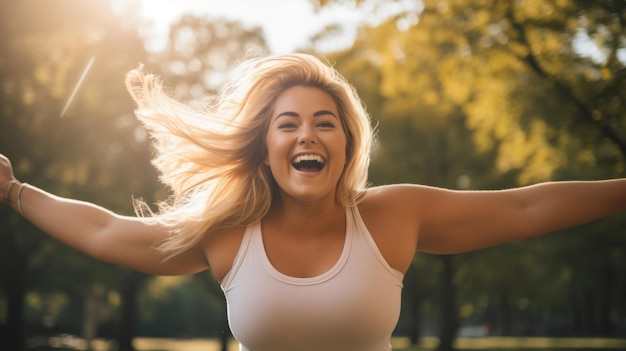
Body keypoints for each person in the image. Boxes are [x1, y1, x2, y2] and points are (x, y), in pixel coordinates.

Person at [1, 53, 625, 351]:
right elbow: (109, 233)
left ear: (347, 144)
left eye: (325, 122)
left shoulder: (391, 218)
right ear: (264, 147)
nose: (307, 135)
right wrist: (13, 192)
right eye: (288, 124)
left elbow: (525, 208)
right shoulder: (227, 235)